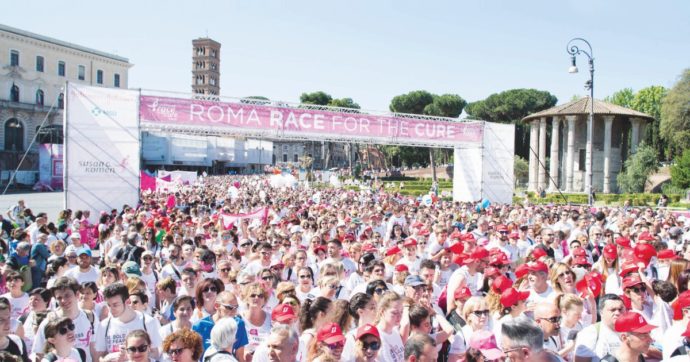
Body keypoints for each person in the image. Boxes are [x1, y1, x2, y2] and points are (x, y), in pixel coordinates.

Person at [94, 282, 162, 361]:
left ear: (127, 302)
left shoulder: (148, 322)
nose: (111, 309)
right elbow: (98, 357)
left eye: (115, 305)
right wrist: (110, 357)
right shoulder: (104, 325)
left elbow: (155, 354)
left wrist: (131, 355)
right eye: (109, 305)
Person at [574, 294, 625, 362]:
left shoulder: (629, 333)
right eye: (612, 310)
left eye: (620, 309)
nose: (617, 313)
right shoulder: (589, 333)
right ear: (601, 312)